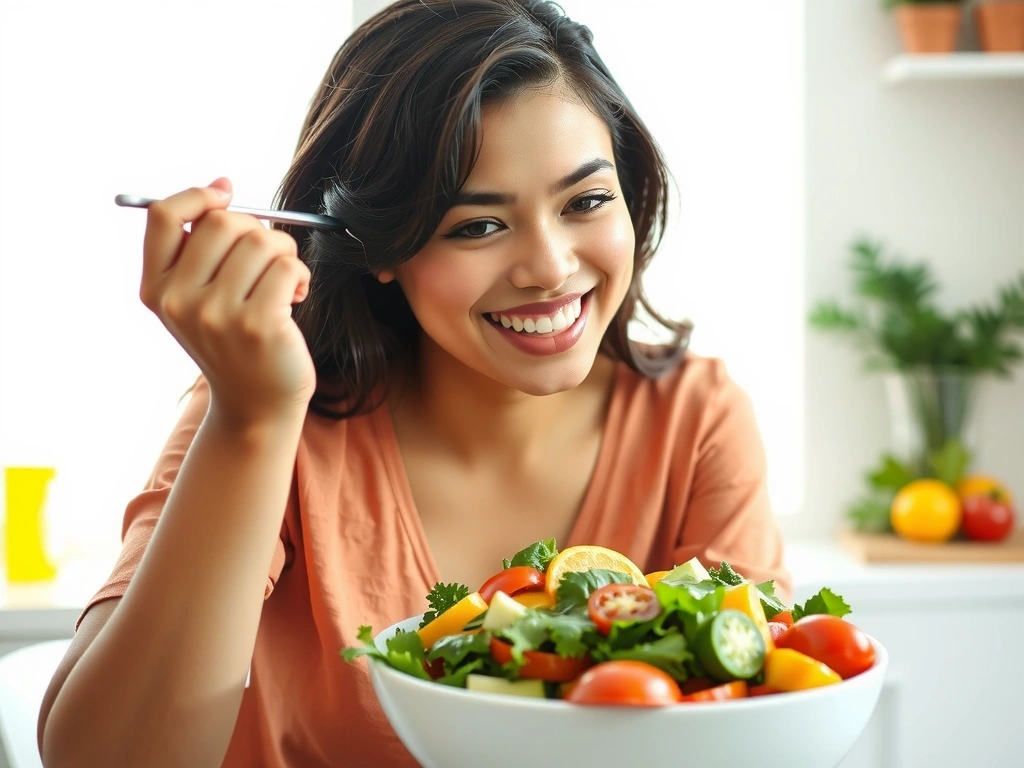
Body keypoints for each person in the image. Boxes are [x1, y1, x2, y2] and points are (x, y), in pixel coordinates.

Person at [37, 1, 790, 765]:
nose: (550, 268)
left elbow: (763, 724)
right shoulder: (261, 409)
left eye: (586, 202)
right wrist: (252, 422)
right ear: (380, 246)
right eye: (477, 225)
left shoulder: (697, 417)